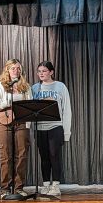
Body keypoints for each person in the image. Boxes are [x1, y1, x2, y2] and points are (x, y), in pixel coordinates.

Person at [0, 58, 32, 200]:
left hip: (21, 122)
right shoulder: (1, 85)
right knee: (5, 156)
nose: (16, 71)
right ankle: (5, 189)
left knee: (22, 155)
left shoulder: (25, 86)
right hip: (4, 122)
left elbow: (30, 105)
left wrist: (28, 124)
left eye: (18, 68)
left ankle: (19, 188)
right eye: (13, 68)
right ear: (7, 70)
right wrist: (10, 100)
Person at [31, 61, 72, 196]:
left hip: (55, 126)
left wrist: (66, 132)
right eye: (39, 71)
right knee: (44, 157)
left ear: (51, 72)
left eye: (44, 71)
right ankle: (46, 185)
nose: (41, 73)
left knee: (54, 155)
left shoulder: (60, 87)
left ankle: (56, 185)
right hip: (40, 128)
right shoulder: (35, 88)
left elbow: (67, 110)